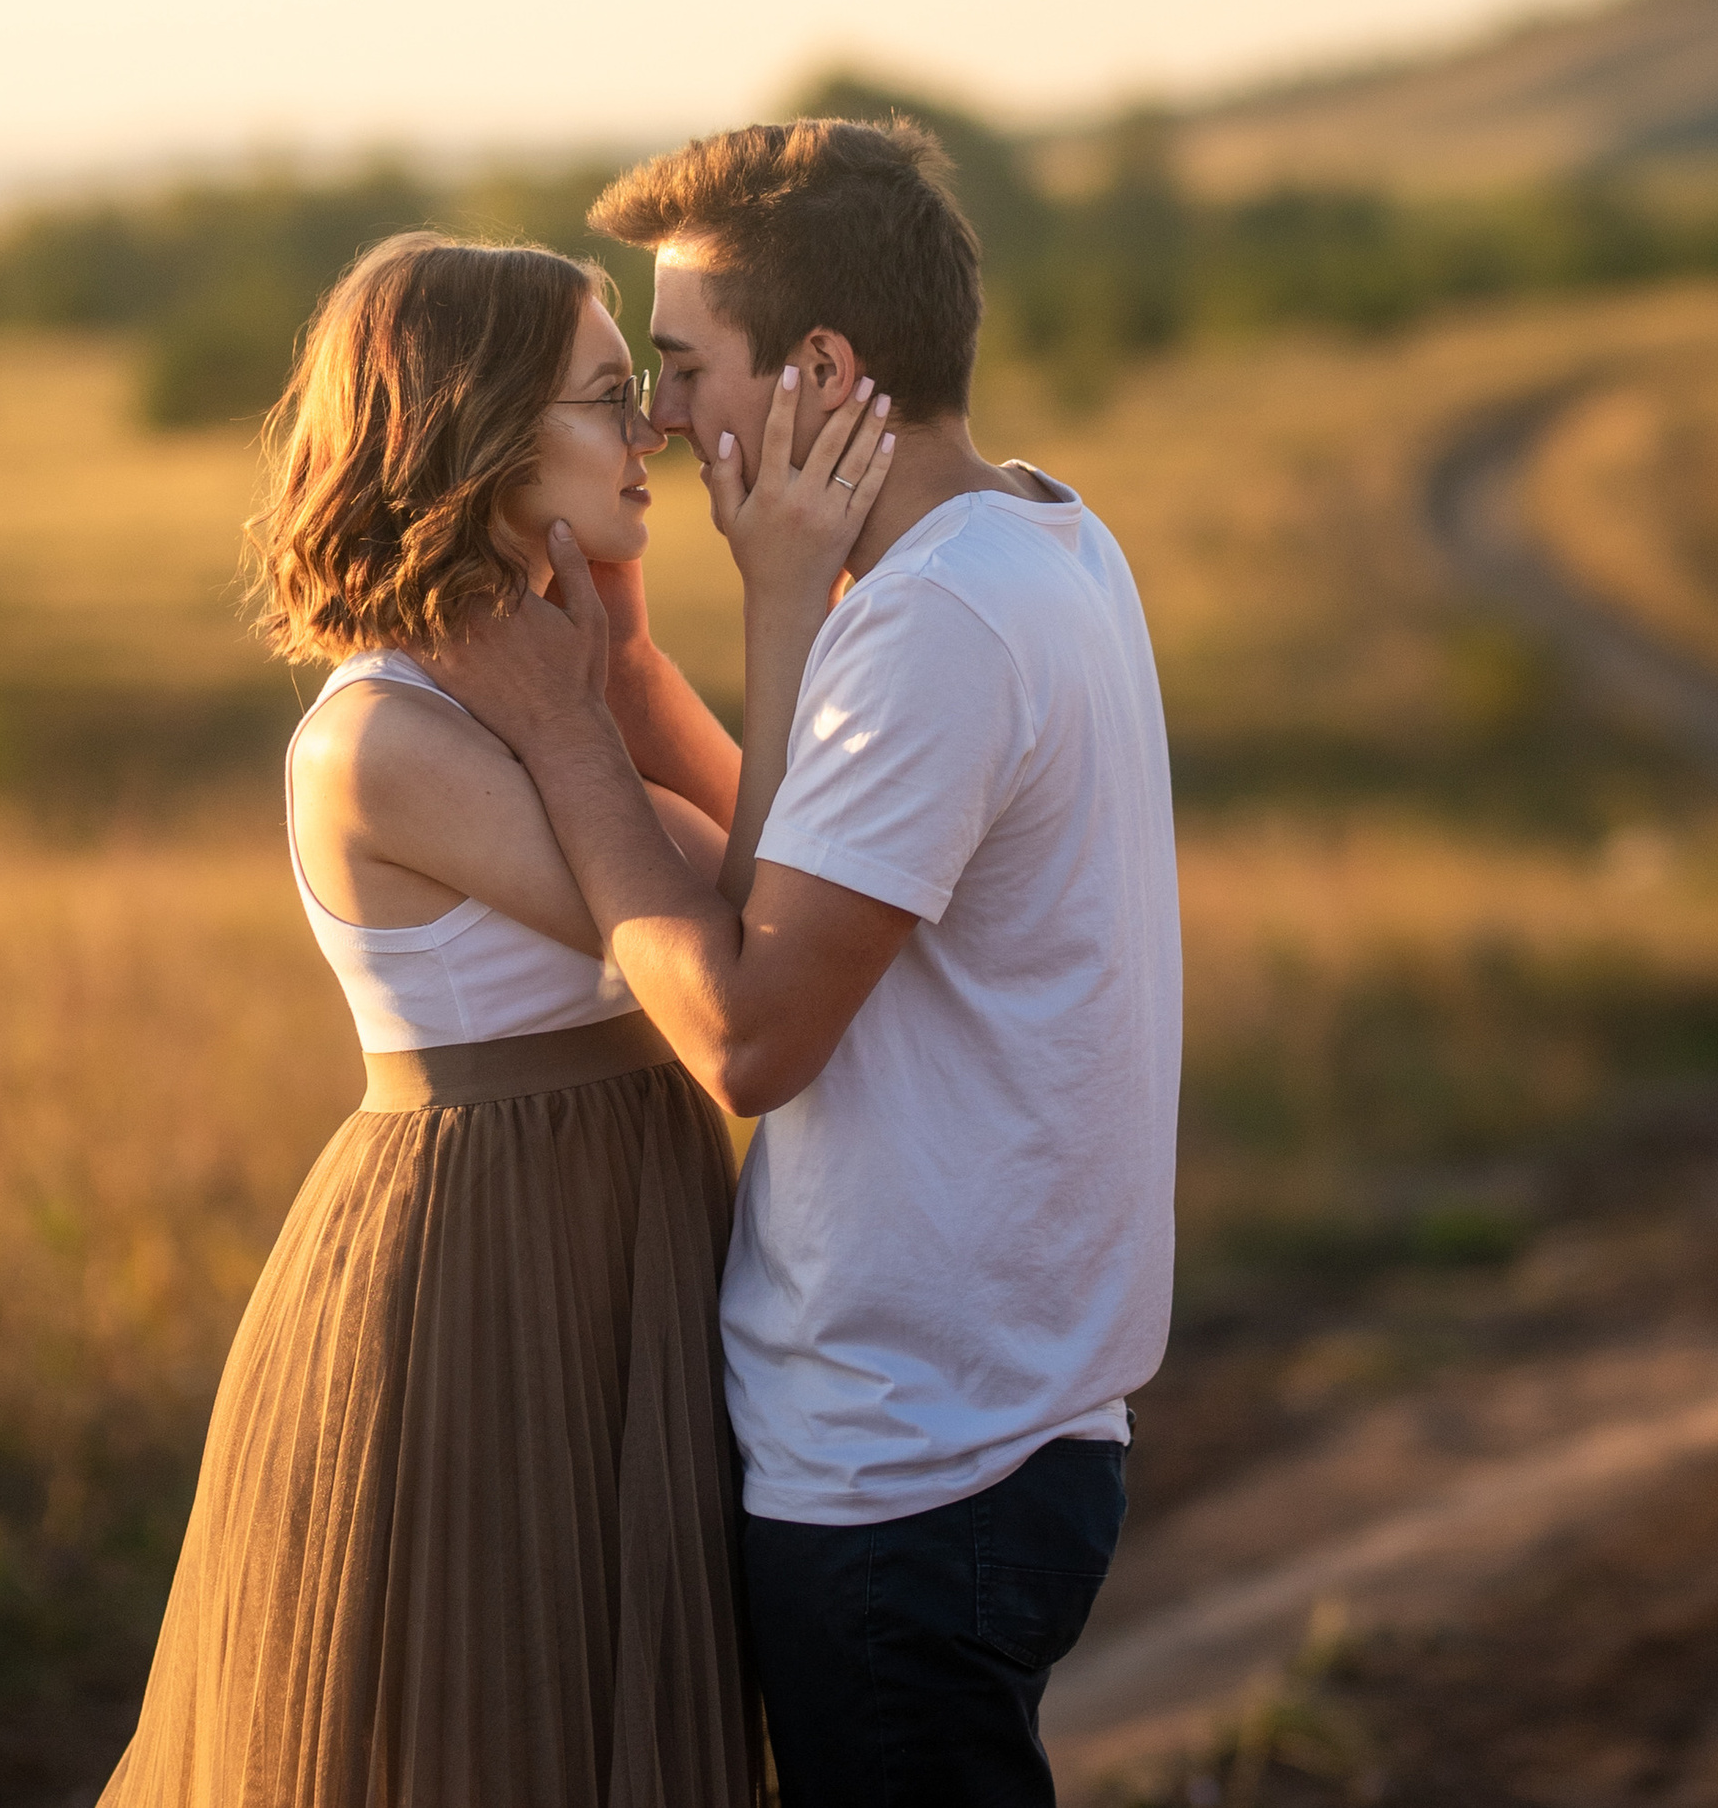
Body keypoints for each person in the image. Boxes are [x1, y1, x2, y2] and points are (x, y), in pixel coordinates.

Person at [428, 117, 1182, 1808]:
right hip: (1003, 1427)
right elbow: (808, 863)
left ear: (825, 366)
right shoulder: (1036, 540)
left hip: (914, 1464)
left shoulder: (931, 627)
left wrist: (563, 738)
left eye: (686, 366)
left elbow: (754, 1030)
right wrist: (634, 669)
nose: (666, 417)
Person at [96, 227, 888, 1808]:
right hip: (482, 1263)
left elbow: (776, 877)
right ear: (479, 432)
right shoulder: (385, 734)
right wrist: (781, 610)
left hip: (617, 1227)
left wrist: (638, 668)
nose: (652, 426)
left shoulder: (541, 667)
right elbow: (734, 923)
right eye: (610, 395)